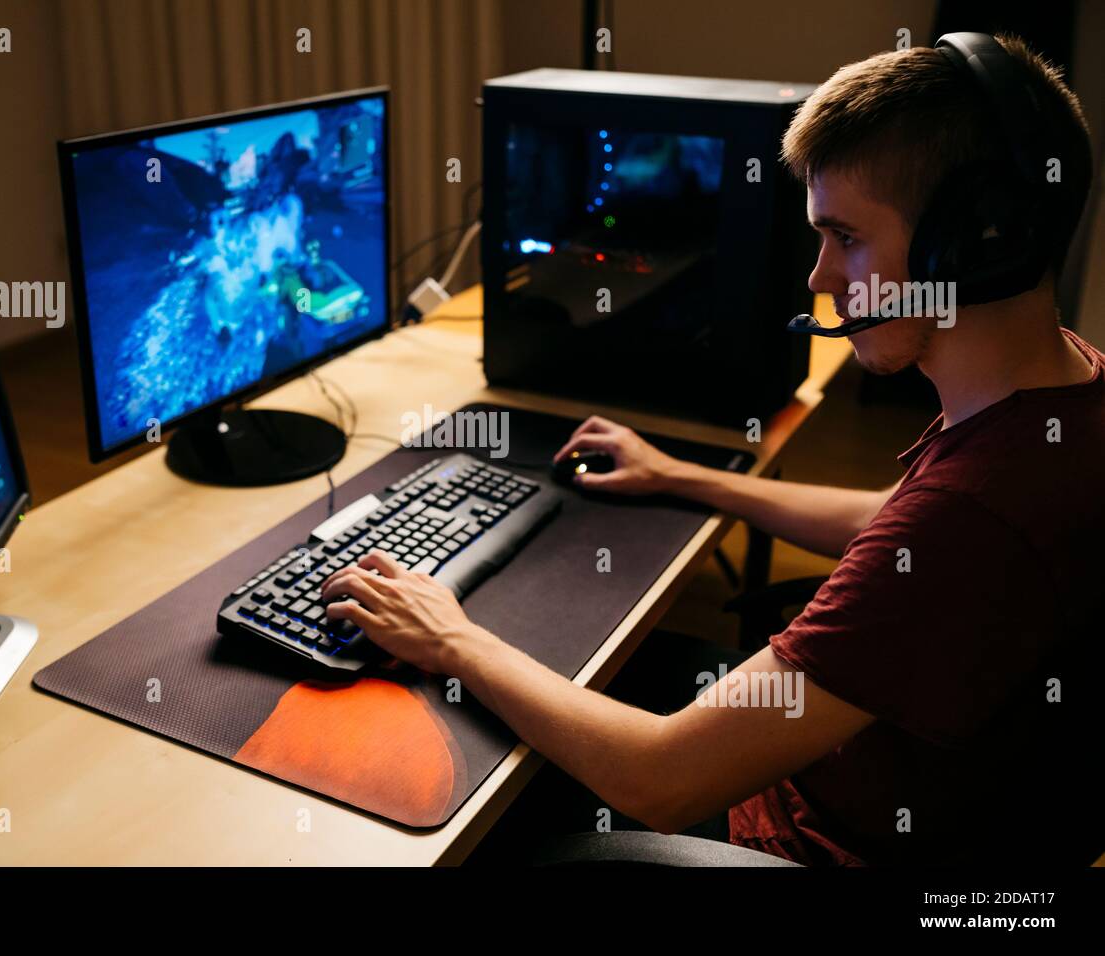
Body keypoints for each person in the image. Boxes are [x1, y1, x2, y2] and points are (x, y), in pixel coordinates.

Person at [323, 33, 1104, 865]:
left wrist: (449, 636)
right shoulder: (1068, 389)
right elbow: (891, 522)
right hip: (866, 779)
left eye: (846, 238)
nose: (818, 278)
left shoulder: (972, 517)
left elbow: (662, 782)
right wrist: (686, 477)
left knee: (454, 804)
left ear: (972, 246)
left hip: (806, 837)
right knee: (580, 678)